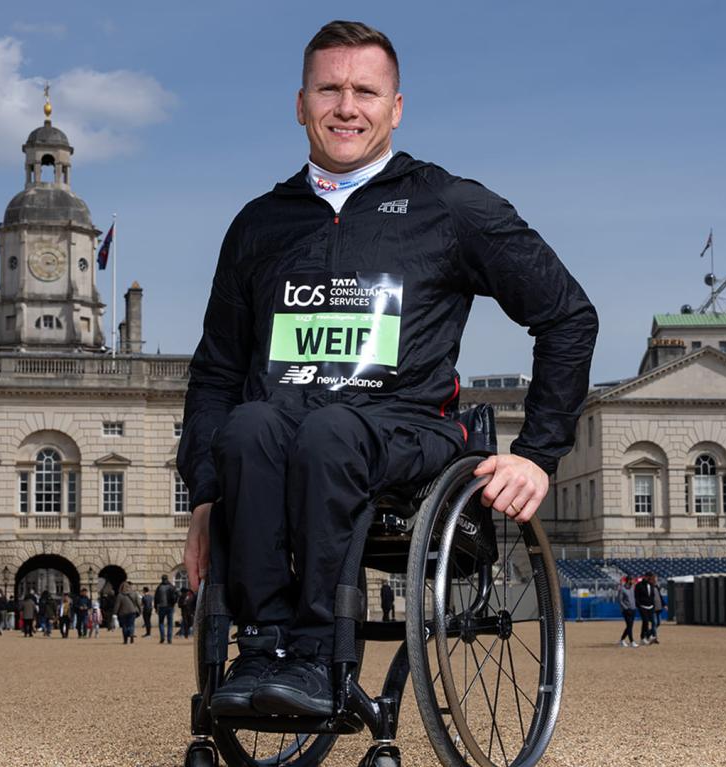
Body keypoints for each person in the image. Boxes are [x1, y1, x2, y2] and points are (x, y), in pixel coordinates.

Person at [178, 20, 597, 718]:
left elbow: (566, 316)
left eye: (365, 91)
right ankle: (262, 648)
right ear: (300, 102)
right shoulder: (257, 223)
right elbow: (217, 371)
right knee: (249, 424)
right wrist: (204, 493)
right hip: (278, 440)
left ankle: (313, 656)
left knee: (329, 432)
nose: (347, 106)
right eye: (329, 89)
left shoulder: (451, 206)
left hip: (407, 434)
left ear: (395, 107)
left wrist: (536, 454)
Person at [154, 574, 177, 644]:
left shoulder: (159, 587)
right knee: (170, 623)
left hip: (161, 607)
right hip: (170, 607)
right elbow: (176, 596)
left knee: (161, 623)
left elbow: (156, 598)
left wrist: (155, 607)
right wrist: (173, 604)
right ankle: (169, 639)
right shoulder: (171, 587)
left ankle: (162, 637)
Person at [634, 572, 656, 645]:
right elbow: (636, 597)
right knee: (645, 621)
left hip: (650, 607)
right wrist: (639, 605)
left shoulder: (651, 585)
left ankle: (647, 636)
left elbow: (652, 596)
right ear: (646, 577)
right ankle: (644, 638)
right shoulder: (639, 585)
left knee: (652, 622)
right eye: (650, 577)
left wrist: (653, 604)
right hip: (643, 606)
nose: (651, 579)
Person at [617, 575, 637, 647]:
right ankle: (632, 641)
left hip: (633, 609)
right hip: (626, 610)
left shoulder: (632, 587)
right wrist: (626, 608)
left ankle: (622, 640)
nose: (633, 581)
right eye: (632, 580)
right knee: (629, 626)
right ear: (628, 580)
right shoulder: (622, 589)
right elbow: (620, 600)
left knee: (630, 626)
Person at [651, 573, 663, 644]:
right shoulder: (650, 587)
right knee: (654, 623)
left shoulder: (657, 587)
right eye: (655, 579)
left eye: (656, 579)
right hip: (653, 607)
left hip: (658, 607)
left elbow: (660, 596)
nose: (656, 580)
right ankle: (654, 637)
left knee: (658, 623)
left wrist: (664, 605)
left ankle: (648, 633)